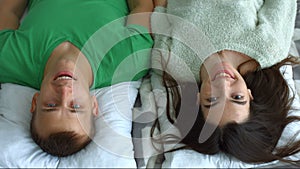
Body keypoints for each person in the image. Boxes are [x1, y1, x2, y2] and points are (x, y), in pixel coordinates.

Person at [151, 0, 300, 165]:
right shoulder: (269, 48)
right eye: (237, 97)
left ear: (197, 100)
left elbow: (160, 9)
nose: (223, 85)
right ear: (250, 95)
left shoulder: (170, 61)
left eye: (212, 100)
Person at [0, 0, 153, 157]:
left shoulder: (8, 59)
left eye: (51, 104)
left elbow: (7, 10)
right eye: (76, 106)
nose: (65, 90)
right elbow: (142, 5)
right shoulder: (130, 57)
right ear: (94, 105)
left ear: (35, 101)